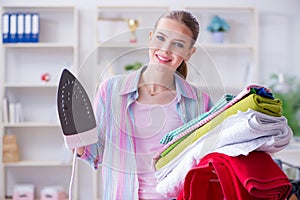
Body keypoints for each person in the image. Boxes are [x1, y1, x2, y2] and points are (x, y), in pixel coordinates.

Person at [76, 10, 212, 200]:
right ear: (150, 38)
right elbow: (96, 154)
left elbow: (203, 163)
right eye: (161, 38)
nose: (165, 49)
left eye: (178, 44)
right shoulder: (110, 90)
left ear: (189, 53)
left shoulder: (200, 102)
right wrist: (77, 139)